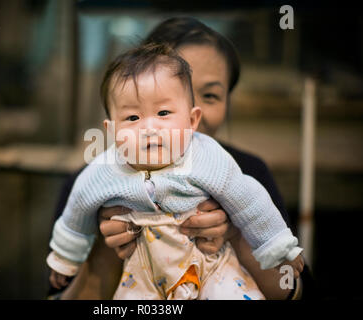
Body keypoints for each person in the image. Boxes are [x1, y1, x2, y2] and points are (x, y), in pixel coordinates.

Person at [49, 17, 315, 300]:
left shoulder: (243, 170)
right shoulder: (95, 178)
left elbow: (299, 293)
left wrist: (240, 235)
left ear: (194, 116)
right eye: (134, 114)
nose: (154, 126)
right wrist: (102, 250)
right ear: (112, 127)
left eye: (209, 95)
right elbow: (58, 287)